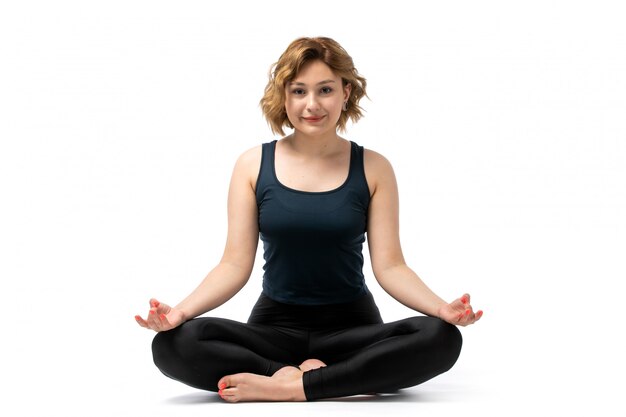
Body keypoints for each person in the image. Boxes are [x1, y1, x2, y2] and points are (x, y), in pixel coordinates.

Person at [135, 36, 483, 403]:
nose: (312, 105)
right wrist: (179, 314)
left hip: (352, 331)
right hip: (274, 332)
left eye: (325, 90)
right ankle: (293, 375)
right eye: (299, 91)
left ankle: (292, 387)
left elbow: (391, 266)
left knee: (441, 337)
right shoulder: (252, 165)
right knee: (173, 344)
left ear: (346, 92)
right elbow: (234, 264)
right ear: (284, 96)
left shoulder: (374, 167)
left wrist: (441, 308)